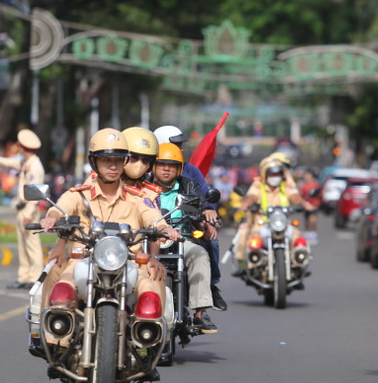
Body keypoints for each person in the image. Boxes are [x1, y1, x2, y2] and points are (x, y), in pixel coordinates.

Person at [37, 128, 181, 316]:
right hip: (83, 260)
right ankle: (48, 335)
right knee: (57, 284)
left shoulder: (137, 197)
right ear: (94, 162)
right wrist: (51, 218)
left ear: (124, 162)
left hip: (129, 262)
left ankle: (154, 338)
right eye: (106, 160)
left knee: (154, 283)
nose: (113, 166)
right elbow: (61, 207)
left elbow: (151, 215)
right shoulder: (80, 193)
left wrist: (163, 227)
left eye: (118, 160)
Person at [153, 125, 227, 312]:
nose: (167, 170)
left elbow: (202, 199)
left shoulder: (190, 177)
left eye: (173, 166)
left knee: (208, 243)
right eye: (163, 165)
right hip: (152, 237)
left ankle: (205, 298)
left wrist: (207, 213)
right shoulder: (143, 183)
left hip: (183, 232)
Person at [0, 129, 46, 289]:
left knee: (32, 245)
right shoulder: (26, 163)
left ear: (22, 148)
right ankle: (24, 276)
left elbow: (36, 194)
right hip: (21, 208)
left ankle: (35, 277)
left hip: (29, 209)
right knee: (23, 245)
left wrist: (28, 213)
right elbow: (13, 163)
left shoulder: (35, 167)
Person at [233, 156, 305, 267]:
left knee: (297, 237)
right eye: (272, 174)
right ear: (265, 175)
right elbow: (251, 196)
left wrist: (304, 203)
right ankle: (245, 265)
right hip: (261, 224)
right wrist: (247, 203)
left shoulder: (285, 185)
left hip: (282, 224)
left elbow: (295, 196)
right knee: (246, 235)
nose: (275, 177)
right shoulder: (258, 185)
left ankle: (296, 266)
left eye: (278, 174)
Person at [122, 126, 163, 202]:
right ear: (122, 157)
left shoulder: (151, 194)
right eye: (133, 158)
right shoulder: (103, 186)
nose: (139, 164)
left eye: (146, 160)